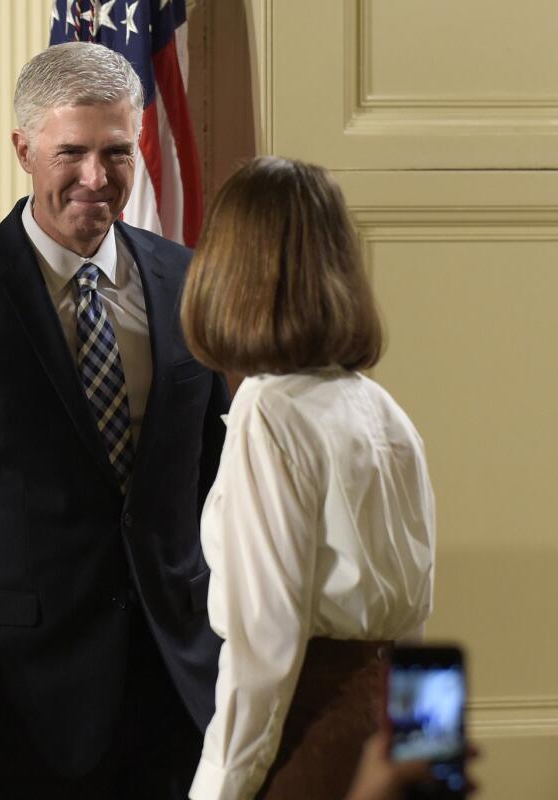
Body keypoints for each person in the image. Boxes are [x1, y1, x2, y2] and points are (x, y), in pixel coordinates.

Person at [0, 41, 230, 800]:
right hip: (15, 709)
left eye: (116, 152)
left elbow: (221, 488)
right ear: (23, 149)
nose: (94, 179)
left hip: (185, 694)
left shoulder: (190, 280)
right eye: (70, 152)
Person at [181, 156, 436, 800]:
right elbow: (418, 615)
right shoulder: (381, 408)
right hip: (393, 726)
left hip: (311, 729)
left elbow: (265, 643)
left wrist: (218, 789)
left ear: (234, 268)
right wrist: (431, 749)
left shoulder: (270, 409)